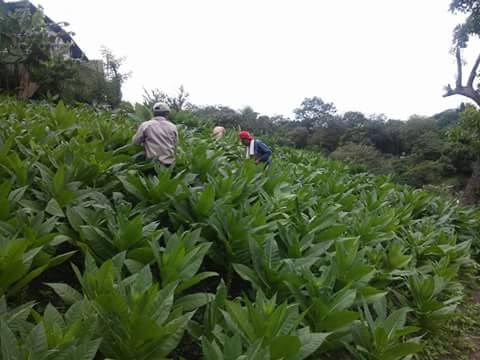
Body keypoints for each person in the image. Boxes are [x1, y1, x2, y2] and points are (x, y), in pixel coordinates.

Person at [132, 102, 178, 167]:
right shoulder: (173, 127)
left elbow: (135, 142)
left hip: (151, 165)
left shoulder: (145, 125)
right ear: (167, 113)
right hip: (169, 165)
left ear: (153, 113)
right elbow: (175, 145)